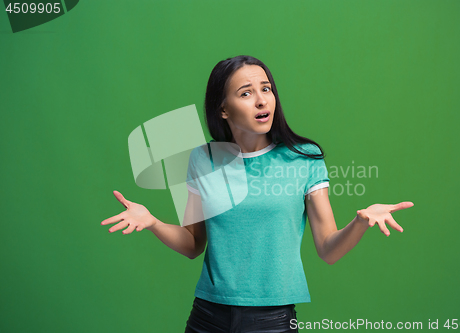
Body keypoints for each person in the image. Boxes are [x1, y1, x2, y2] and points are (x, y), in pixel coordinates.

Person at [101, 55, 414, 333]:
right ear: (223, 109)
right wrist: (153, 221)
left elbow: (328, 250)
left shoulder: (304, 157)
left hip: (273, 320)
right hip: (208, 315)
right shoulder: (203, 159)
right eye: (246, 93)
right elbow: (193, 243)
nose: (262, 100)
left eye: (266, 89)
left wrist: (359, 222)